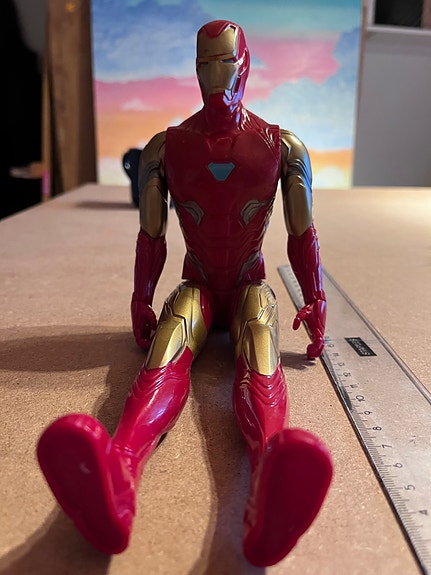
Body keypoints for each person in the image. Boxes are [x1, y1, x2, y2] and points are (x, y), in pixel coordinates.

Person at [37, 19, 333, 567]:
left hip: (248, 284)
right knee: (166, 352)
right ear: (195, 69)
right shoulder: (166, 148)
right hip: (196, 285)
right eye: (206, 64)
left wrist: (315, 296)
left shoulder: (281, 146)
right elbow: (151, 234)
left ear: (246, 65)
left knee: (260, 341)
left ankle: (272, 474)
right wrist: (141, 298)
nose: (217, 78)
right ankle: (117, 472)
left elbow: (301, 232)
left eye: (227, 63)